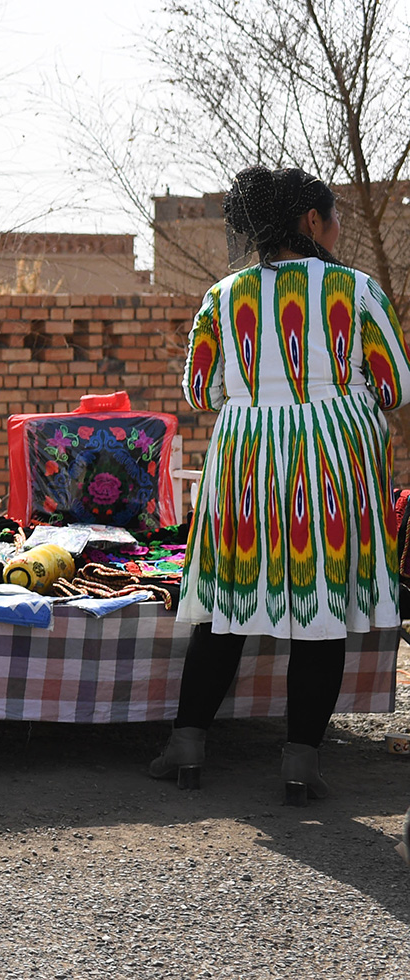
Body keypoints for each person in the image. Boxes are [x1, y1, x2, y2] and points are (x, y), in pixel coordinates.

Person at [152, 165, 410, 802]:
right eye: (335, 215)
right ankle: (300, 765)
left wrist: (257, 396)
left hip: (245, 461)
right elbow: (396, 388)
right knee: (319, 611)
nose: (341, 226)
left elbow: (198, 392)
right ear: (312, 221)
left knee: (225, 607)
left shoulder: (222, 297)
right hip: (329, 463)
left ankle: (186, 744)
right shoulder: (356, 290)